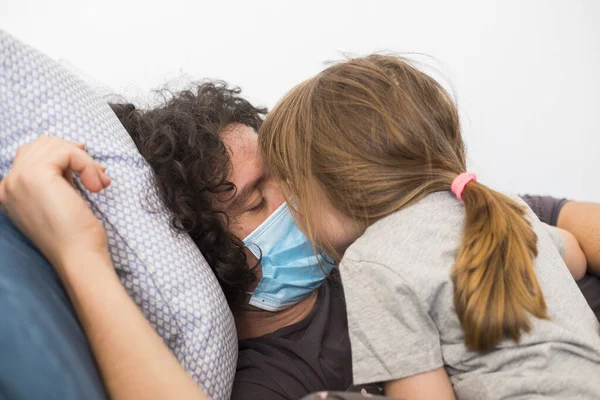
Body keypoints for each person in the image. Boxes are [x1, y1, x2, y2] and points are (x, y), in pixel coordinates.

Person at [1, 81, 600, 400]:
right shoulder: (276, 380)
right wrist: (80, 257)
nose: (298, 202)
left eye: (290, 173)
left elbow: (563, 230)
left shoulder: (380, 226)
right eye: (256, 202)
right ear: (203, 247)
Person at [258, 54, 600, 399]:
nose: (292, 210)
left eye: (294, 192)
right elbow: (575, 257)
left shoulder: (371, 263)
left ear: (337, 185)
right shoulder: (500, 206)